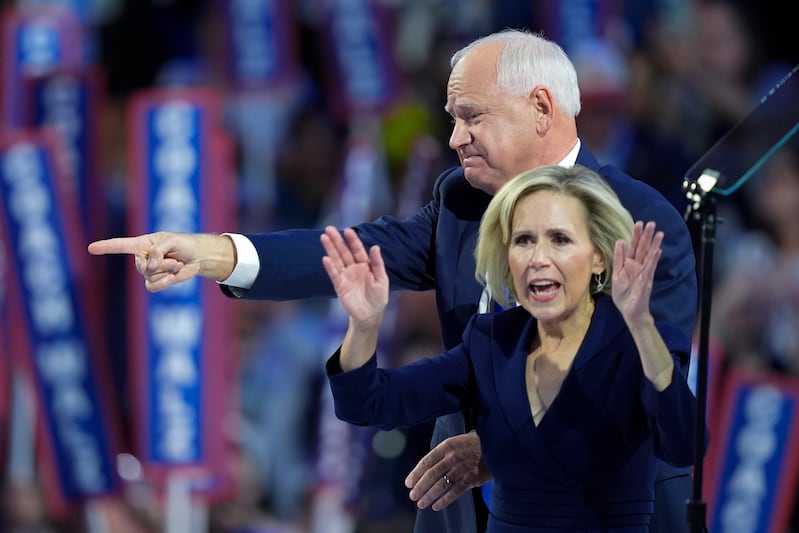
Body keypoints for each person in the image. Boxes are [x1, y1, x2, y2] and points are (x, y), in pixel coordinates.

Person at [87, 29, 698, 533]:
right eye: (453, 118)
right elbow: (356, 253)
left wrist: (502, 451)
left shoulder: (638, 220)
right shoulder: (461, 202)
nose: (455, 137)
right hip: (460, 501)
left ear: (541, 108)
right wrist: (213, 252)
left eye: (471, 116)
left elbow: (646, 400)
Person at [320, 164, 697, 531]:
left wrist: (641, 324)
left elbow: (681, 443)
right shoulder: (490, 343)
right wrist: (365, 324)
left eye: (560, 240)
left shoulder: (637, 343)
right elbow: (368, 402)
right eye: (523, 240)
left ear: (599, 255)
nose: (538, 259)